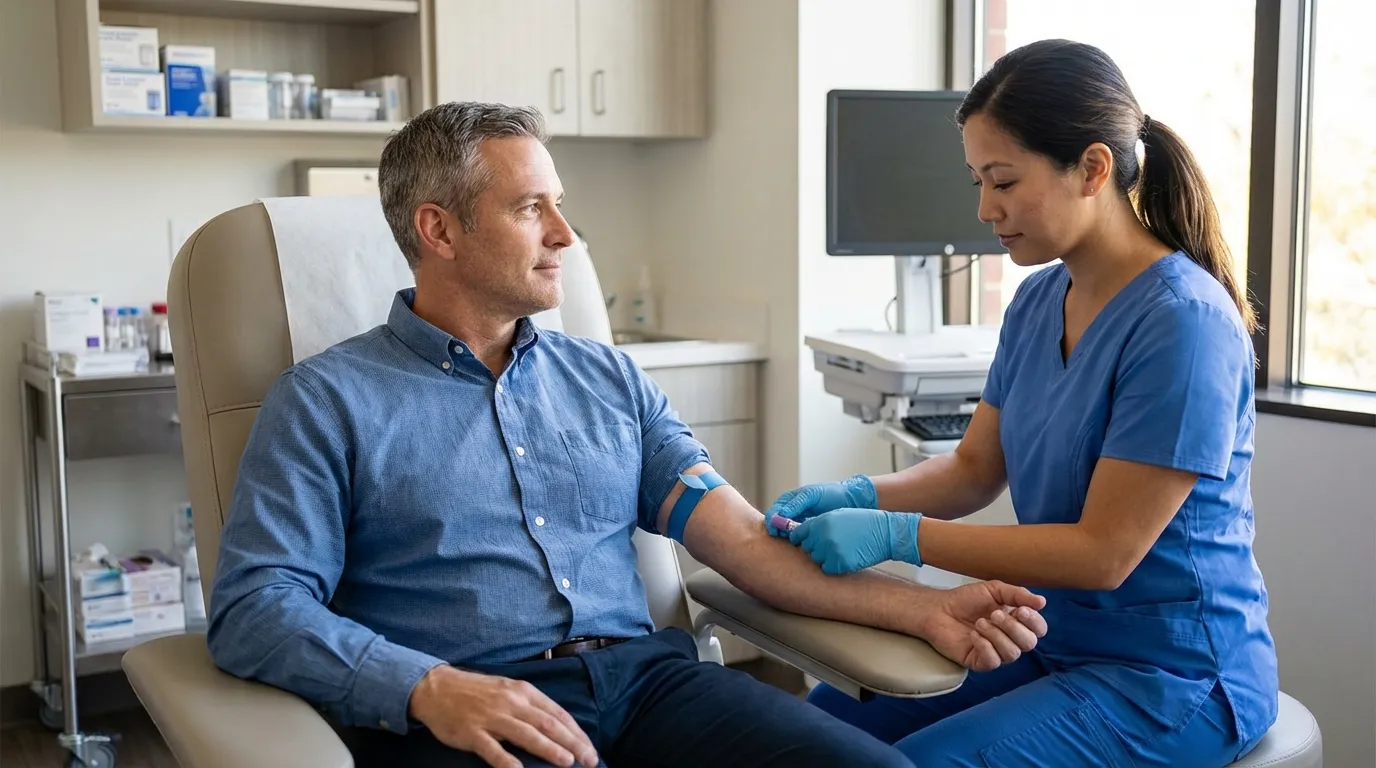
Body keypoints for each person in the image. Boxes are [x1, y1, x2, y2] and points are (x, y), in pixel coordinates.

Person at [206, 101, 1049, 768]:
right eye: (531, 209)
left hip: (647, 685)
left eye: (560, 207)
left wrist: (924, 608)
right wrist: (427, 689)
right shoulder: (326, 402)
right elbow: (256, 609)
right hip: (473, 707)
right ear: (439, 230)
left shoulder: (608, 381)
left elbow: (747, 545)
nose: (566, 237)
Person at [768, 39, 1279, 767]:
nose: (984, 208)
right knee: (813, 734)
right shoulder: (1040, 299)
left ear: (1093, 169)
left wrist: (896, 535)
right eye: (977, 181)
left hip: (1171, 677)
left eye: (1003, 182)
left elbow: (1104, 554)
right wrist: (856, 492)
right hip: (1049, 637)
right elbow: (973, 470)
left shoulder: (1182, 323)